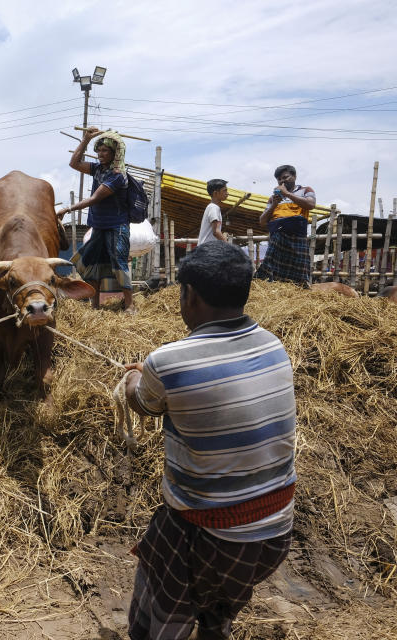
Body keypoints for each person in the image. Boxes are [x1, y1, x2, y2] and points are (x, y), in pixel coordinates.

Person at [122, 241, 296, 639]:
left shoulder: (167, 361)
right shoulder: (274, 344)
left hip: (210, 534)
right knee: (220, 603)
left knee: (164, 593)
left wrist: (136, 377)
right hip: (276, 528)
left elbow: (143, 403)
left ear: (191, 296)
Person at [61, 127, 136, 313]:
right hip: (99, 226)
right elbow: (74, 163)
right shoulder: (97, 169)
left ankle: (130, 305)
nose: (101, 154)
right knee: (92, 264)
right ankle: (95, 305)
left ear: (115, 153)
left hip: (117, 227)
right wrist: (86, 139)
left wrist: (67, 209)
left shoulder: (118, 175)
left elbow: (95, 199)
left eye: (105, 151)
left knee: (118, 262)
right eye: (99, 150)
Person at [255, 164, 316, 285]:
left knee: (298, 273)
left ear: (294, 176)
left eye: (285, 177)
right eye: (279, 179)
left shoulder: (306, 190)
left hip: (297, 238)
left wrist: (287, 194)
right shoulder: (273, 198)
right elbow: (262, 221)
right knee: (273, 273)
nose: (282, 181)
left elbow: (311, 204)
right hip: (277, 239)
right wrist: (274, 204)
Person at [198, 178, 230, 245]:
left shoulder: (212, 207)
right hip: (207, 250)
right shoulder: (214, 208)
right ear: (215, 193)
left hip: (205, 249)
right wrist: (229, 246)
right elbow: (216, 232)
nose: (227, 193)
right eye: (224, 190)